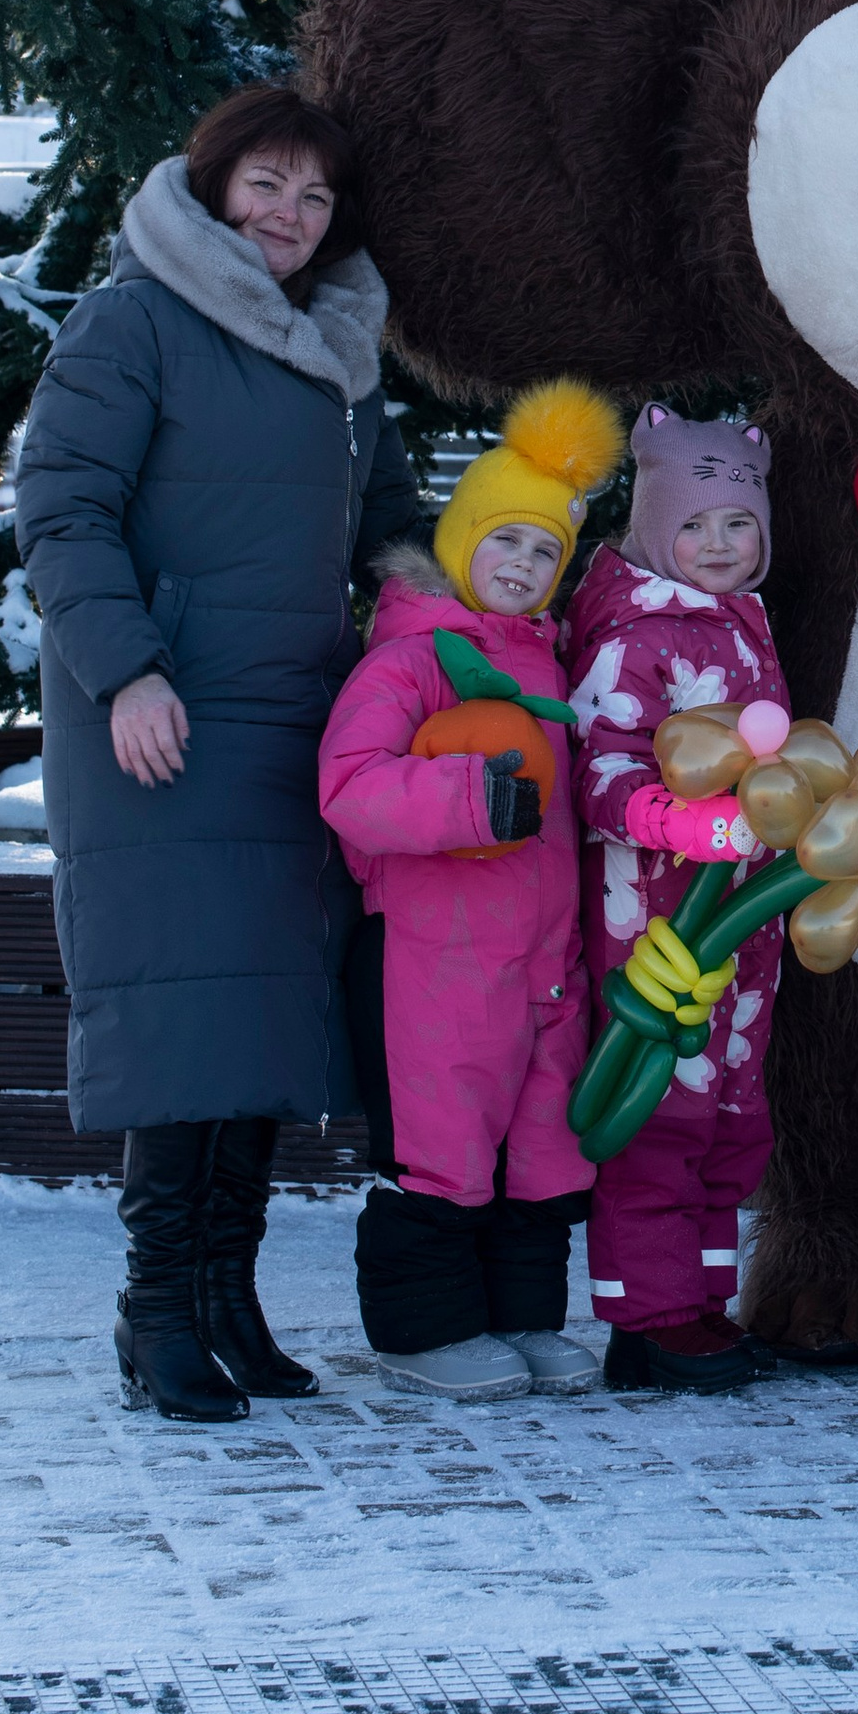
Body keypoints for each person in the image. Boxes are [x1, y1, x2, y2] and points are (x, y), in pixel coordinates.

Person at [15, 84, 428, 1423]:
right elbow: (62, 502)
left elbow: (390, 520)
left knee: (257, 1014)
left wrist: (450, 616)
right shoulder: (134, 317)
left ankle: (228, 1300)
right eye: (266, 185)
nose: (289, 217)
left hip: (294, 722)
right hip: (161, 719)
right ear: (212, 186)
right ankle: (156, 1315)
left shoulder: (342, 348)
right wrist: (125, 667)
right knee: (184, 1011)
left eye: (314, 196)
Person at [318, 380, 624, 1398]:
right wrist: (466, 799)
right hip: (431, 961)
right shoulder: (412, 657)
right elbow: (351, 785)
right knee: (443, 1145)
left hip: (543, 962)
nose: (524, 565)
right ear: (460, 542)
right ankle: (424, 1331)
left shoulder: (550, 662)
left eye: (545, 552)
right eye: (506, 542)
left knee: (541, 1147)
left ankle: (522, 1318)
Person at [564, 409, 789, 1395]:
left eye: (737, 525)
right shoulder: (632, 637)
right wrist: (680, 822)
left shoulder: (747, 624)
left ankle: (702, 1303)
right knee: (662, 1111)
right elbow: (599, 773)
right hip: (656, 921)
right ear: (657, 527)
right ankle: (645, 1316)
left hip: (745, 921)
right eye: (694, 526)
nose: (716, 546)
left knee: (731, 1117)